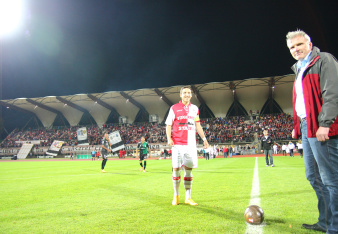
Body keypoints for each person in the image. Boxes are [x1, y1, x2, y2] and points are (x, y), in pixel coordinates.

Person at [287, 29, 338, 233]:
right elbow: (302, 101)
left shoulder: (323, 60)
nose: (295, 49)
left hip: (320, 125)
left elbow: (332, 93)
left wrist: (325, 123)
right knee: (313, 176)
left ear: (309, 44)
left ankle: (335, 227)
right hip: (306, 125)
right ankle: (325, 221)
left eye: (299, 45)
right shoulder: (300, 68)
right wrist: (297, 126)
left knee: (331, 178)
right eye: (291, 47)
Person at [165, 86, 209, 206]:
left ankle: (188, 197)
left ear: (191, 95)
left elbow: (198, 125)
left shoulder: (195, 109)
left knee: (188, 171)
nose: (187, 94)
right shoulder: (174, 108)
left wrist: (204, 139)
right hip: (178, 144)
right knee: (176, 170)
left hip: (191, 145)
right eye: (184, 92)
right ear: (180, 95)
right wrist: (169, 138)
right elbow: (168, 125)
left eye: (189, 93)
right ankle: (176, 195)